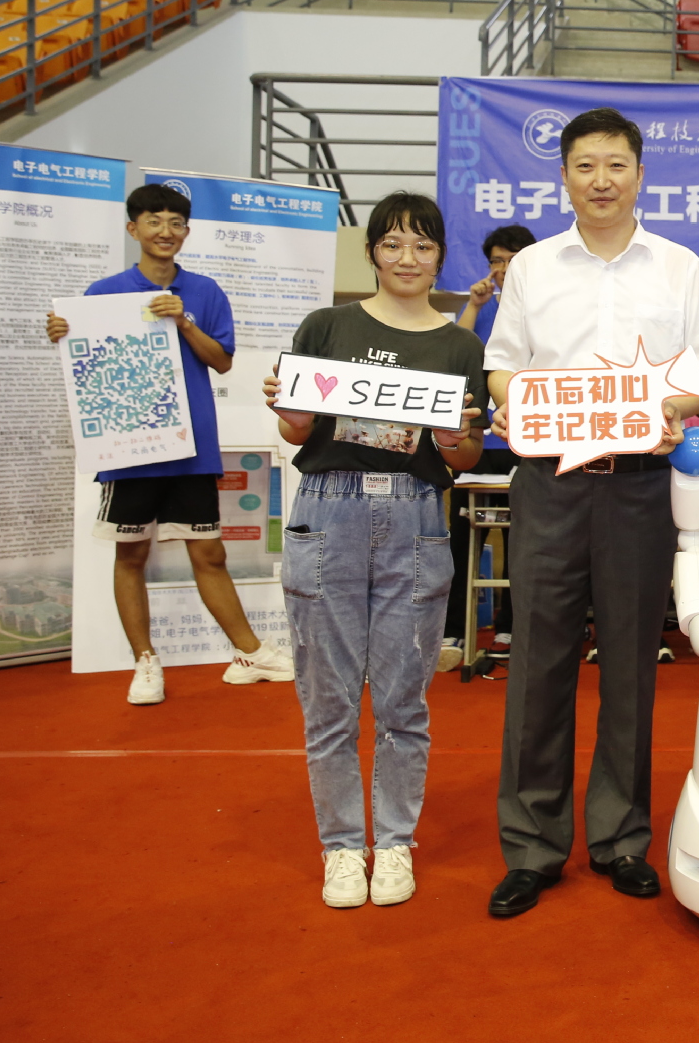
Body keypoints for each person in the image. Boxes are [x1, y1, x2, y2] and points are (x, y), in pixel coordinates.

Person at [483, 107, 699, 918]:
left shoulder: (678, 266)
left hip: (638, 484)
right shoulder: (532, 268)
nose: (601, 180)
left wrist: (674, 407)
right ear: (563, 176)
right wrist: (520, 406)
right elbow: (501, 367)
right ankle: (532, 844)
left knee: (630, 662)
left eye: (616, 165)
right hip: (548, 482)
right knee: (538, 661)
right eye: (585, 165)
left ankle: (622, 835)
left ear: (639, 174)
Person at [263, 191, 487, 910]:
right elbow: (298, 431)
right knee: (327, 697)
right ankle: (340, 846)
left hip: (416, 515)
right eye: (392, 244)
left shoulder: (460, 345)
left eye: (422, 245)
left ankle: (393, 841)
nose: (407, 258)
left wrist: (452, 436)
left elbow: (465, 453)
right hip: (329, 510)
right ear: (371, 253)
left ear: (440, 256)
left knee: (402, 699)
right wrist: (290, 409)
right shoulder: (327, 326)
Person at [45, 183, 291, 706]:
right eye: (154, 220)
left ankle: (249, 653)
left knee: (209, 552)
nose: (166, 231)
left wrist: (182, 321)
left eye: (176, 222)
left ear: (187, 231)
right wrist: (64, 333)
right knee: (131, 554)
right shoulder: (104, 291)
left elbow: (222, 361)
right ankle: (145, 662)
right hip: (128, 447)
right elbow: (87, 360)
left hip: (191, 446)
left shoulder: (204, 291)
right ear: (132, 228)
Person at [448, 224, 535, 650]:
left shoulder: (541, 308)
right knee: (464, 536)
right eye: (497, 261)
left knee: (524, 539)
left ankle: (512, 623)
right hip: (478, 439)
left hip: (526, 440)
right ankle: (455, 628)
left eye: (512, 259)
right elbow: (455, 352)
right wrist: (473, 304)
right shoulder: (481, 309)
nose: (503, 268)